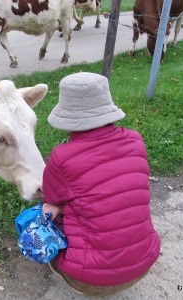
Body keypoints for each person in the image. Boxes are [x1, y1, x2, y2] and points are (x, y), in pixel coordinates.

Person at [42, 72, 160, 296]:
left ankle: (69, 271)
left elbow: (51, 199)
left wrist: (58, 205)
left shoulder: (62, 156)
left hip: (89, 280)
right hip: (144, 263)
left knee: (48, 212)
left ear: (68, 117)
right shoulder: (136, 140)